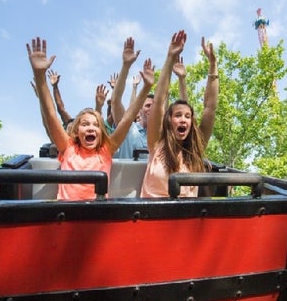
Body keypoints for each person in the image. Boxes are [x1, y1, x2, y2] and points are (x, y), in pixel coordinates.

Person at [27, 36, 153, 200]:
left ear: (101, 132)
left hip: (96, 215)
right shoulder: (68, 148)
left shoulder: (106, 150)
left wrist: (146, 88)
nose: (91, 128)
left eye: (95, 124)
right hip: (67, 214)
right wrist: (39, 75)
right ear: (77, 131)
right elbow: (51, 115)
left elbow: (128, 119)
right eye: (85, 124)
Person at [140, 30, 219, 198]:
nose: (183, 119)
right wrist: (170, 58)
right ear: (169, 120)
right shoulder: (156, 144)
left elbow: (210, 108)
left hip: (184, 219)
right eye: (177, 115)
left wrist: (213, 65)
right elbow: (159, 102)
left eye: (187, 116)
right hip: (151, 218)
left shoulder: (195, 150)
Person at [110, 37, 154, 159]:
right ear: (139, 110)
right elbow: (115, 101)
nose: (152, 108)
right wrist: (126, 66)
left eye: (154, 105)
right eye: (148, 105)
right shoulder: (128, 128)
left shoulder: (162, 135)